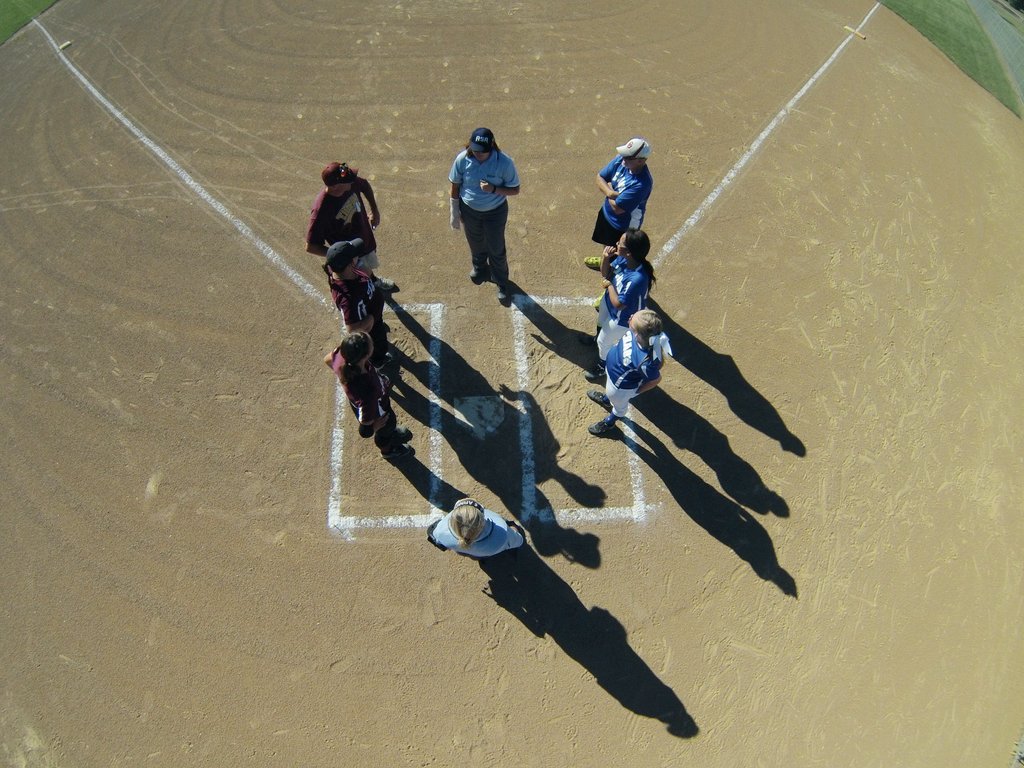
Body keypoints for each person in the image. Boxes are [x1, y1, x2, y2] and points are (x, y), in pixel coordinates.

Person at [448, 128, 521, 304]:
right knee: (475, 241)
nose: (478, 154)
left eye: (482, 151)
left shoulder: (504, 163)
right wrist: (454, 210)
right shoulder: (463, 159)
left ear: (491, 147)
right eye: (475, 150)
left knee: (496, 248)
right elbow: (455, 185)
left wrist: (493, 189)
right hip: (469, 210)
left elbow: (515, 189)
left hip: (495, 212)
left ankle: (501, 281)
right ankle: (480, 267)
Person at [306, 161, 397, 292]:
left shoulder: (350, 183)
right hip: (351, 254)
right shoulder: (321, 212)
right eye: (348, 180)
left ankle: (373, 281)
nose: (353, 180)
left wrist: (374, 210)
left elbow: (364, 185)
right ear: (335, 186)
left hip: (364, 237)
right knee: (356, 286)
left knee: (368, 266)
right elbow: (311, 246)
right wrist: (340, 255)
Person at [324, 331, 414, 460]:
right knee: (385, 430)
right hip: (378, 412)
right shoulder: (367, 392)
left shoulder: (341, 354)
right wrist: (375, 427)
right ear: (366, 355)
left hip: (370, 400)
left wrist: (342, 376)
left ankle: (390, 433)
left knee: (389, 426)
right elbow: (365, 430)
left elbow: (328, 359)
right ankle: (388, 451)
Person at [584, 228, 655, 382]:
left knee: (604, 341)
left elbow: (619, 304)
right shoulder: (624, 259)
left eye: (620, 243)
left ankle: (603, 365)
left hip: (622, 319)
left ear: (629, 252)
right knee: (601, 323)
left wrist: (609, 285)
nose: (616, 243)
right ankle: (596, 338)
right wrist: (605, 258)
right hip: (609, 303)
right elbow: (605, 273)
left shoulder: (638, 278)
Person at [586, 309, 672, 436]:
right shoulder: (638, 334)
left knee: (619, 407)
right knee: (610, 394)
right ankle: (606, 399)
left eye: (633, 317)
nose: (630, 315)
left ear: (637, 334)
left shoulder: (645, 360)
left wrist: (637, 391)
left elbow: (655, 379)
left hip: (620, 388)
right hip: (612, 375)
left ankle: (609, 422)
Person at [585, 137, 653, 270]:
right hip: (607, 215)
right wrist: (611, 194)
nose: (623, 159)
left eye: (628, 157)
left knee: (621, 259)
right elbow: (600, 177)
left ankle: (611, 280)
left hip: (623, 226)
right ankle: (605, 261)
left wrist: (608, 188)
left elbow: (618, 208)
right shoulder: (621, 160)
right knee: (607, 246)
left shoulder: (641, 184)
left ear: (640, 161)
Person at [323, 238, 392, 368]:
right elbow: (352, 329)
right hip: (371, 326)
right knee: (379, 346)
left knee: (380, 332)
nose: (358, 257)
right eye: (355, 257)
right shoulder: (348, 298)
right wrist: (371, 319)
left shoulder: (339, 270)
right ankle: (378, 362)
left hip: (373, 312)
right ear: (349, 264)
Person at [426, 498, 525, 559]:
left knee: (467, 553)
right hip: (488, 552)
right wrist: (513, 528)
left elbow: (438, 541)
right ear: (482, 521)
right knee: (513, 526)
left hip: (465, 551)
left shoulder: (440, 531)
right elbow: (519, 541)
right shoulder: (501, 534)